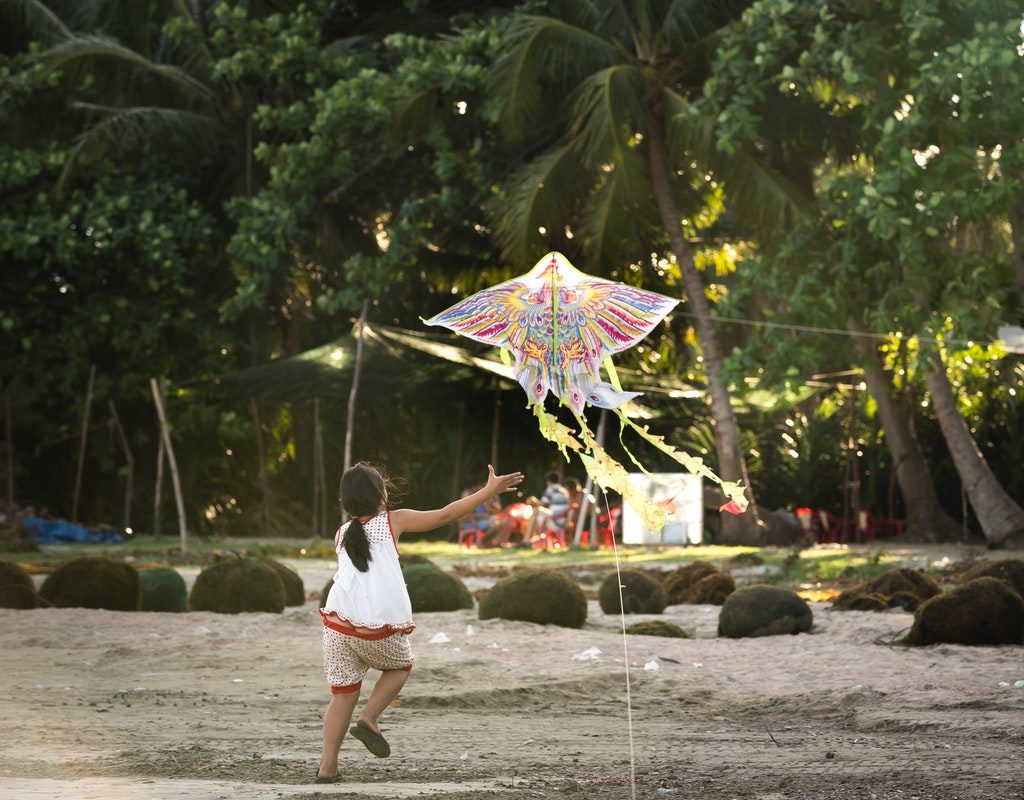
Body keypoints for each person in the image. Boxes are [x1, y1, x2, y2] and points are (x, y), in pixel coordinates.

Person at [316, 461, 524, 783]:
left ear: (346, 500)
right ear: (381, 495)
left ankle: (327, 768)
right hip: (375, 627)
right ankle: (369, 718)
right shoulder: (392, 521)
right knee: (401, 667)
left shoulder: (342, 534)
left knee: (342, 695)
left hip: (336, 626)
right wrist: (488, 491)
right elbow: (446, 515)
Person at [527, 472, 570, 542]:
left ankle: (527, 539)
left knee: (536, 510)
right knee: (538, 513)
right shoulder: (565, 491)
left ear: (548, 481)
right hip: (563, 521)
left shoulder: (551, 489)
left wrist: (533, 501)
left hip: (555, 521)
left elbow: (541, 504)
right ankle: (531, 539)